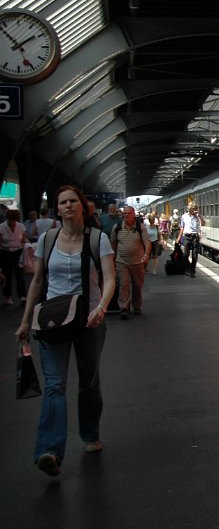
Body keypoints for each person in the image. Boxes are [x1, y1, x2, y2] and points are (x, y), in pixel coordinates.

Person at [15, 185, 116, 477]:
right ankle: (50, 451)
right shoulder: (47, 240)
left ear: (82, 207)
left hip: (89, 321)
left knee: (89, 382)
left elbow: (109, 279)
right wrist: (24, 321)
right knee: (55, 384)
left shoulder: (98, 239)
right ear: (57, 209)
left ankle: (90, 434)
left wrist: (102, 307)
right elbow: (37, 282)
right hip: (54, 321)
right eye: (63, 202)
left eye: (73, 201)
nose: (68, 205)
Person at [110, 207, 151, 319]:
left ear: (134, 214)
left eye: (128, 213)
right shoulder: (117, 227)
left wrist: (146, 255)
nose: (126, 215)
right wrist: (112, 259)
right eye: (124, 213)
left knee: (137, 285)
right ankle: (124, 308)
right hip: (121, 261)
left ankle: (136, 306)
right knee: (124, 284)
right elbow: (113, 243)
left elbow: (147, 242)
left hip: (137, 261)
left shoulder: (140, 227)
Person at [1, 208, 28, 305]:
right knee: (7, 275)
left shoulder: (20, 226)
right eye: (11, 220)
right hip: (5, 253)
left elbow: (24, 239)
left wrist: (29, 246)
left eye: (15, 220)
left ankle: (23, 296)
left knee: (19, 275)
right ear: (7, 218)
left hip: (18, 252)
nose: (13, 223)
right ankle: (8, 296)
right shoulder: (1, 227)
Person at [177, 203, 204, 278]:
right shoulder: (184, 216)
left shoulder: (198, 216)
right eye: (194, 209)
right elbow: (182, 227)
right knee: (185, 254)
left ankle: (192, 271)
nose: (195, 210)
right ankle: (187, 269)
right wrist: (179, 238)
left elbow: (204, 224)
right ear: (190, 209)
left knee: (195, 255)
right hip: (187, 236)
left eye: (196, 209)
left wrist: (200, 217)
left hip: (195, 236)